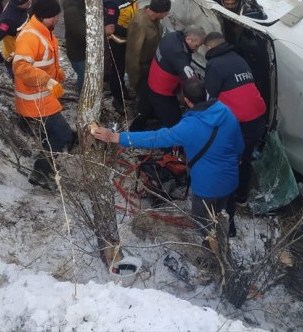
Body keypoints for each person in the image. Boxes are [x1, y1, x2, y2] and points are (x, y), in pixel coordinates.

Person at [92, 78, 243, 238]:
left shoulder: (188, 127)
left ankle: (211, 254)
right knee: (224, 215)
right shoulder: (226, 112)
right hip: (230, 179)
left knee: (204, 225)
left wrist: (116, 137)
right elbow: (239, 145)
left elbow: (155, 138)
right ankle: (226, 237)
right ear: (206, 94)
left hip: (206, 187)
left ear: (186, 100)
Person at [203, 32, 268, 235]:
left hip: (239, 123)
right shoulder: (239, 60)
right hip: (258, 117)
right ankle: (242, 196)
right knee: (245, 159)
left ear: (209, 47)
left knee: (229, 164)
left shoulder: (214, 65)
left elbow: (209, 98)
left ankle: (227, 217)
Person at [12, 0, 73, 189]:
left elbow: (44, 60)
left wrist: (57, 74)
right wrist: (48, 80)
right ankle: (40, 172)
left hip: (42, 94)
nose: (58, 20)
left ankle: (47, 163)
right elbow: (21, 68)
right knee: (62, 134)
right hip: (35, 97)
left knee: (54, 133)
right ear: (45, 16)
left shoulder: (44, 30)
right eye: (55, 17)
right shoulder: (30, 36)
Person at [104, 0, 170, 114]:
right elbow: (111, 27)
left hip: (132, 35)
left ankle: (127, 91)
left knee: (134, 62)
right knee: (118, 71)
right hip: (119, 40)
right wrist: (133, 30)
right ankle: (118, 99)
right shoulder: (112, 2)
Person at [125, 0, 171, 131]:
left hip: (151, 65)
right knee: (145, 100)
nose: (167, 15)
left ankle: (152, 115)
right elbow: (133, 54)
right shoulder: (140, 24)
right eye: (166, 12)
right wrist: (134, 79)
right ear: (160, 12)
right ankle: (136, 127)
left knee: (152, 96)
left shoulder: (153, 19)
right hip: (142, 69)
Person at [147, 26, 205, 127]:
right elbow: (192, 81)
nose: (197, 49)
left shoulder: (172, 36)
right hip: (162, 91)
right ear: (188, 39)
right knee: (173, 121)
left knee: (158, 110)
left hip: (153, 81)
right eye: (196, 45)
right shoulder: (179, 54)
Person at [62, 0, 87, 92]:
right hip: (78, 53)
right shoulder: (72, 10)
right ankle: (83, 96)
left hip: (82, 50)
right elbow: (81, 33)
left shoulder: (81, 3)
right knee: (84, 75)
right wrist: (103, 32)